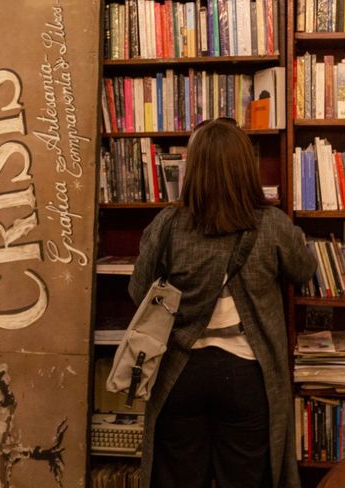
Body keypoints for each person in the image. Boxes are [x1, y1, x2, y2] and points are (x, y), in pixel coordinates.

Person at [128, 118, 316, 488]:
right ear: (246, 167)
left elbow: (138, 292)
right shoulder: (273, 225)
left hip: (180, 371)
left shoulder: (168, 224)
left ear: (193, 168)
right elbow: (304, 269)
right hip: (247, 372)